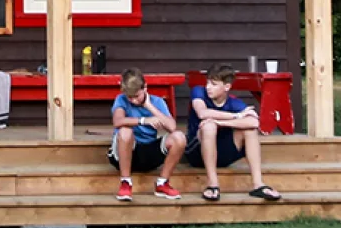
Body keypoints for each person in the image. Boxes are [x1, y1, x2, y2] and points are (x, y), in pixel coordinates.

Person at [186, 63, 282, 202]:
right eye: (207, 82)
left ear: (226, 87)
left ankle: (258, 184)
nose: (208, 87)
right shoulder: (199, 92)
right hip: (196, 153)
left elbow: (254, 122)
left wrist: (221, 122)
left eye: (213, 84)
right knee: (209, 126)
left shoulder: (234, 103)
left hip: (222, 155)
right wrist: (236, 116)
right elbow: (202, 113)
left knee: (249, 131)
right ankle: (212, 185)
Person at [110, 68, 186, 201]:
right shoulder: (121, 100)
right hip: (125, 152)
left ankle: (162, 184)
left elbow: (172, 127)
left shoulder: (157, 102)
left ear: (145, 87)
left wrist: (149, 106)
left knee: (179, 137)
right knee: (125, 130)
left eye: (136, 96)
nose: (133, 101)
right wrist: (144, 121)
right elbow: (118, 121)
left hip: (148, 152)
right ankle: (125, 183)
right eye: (130, 97)